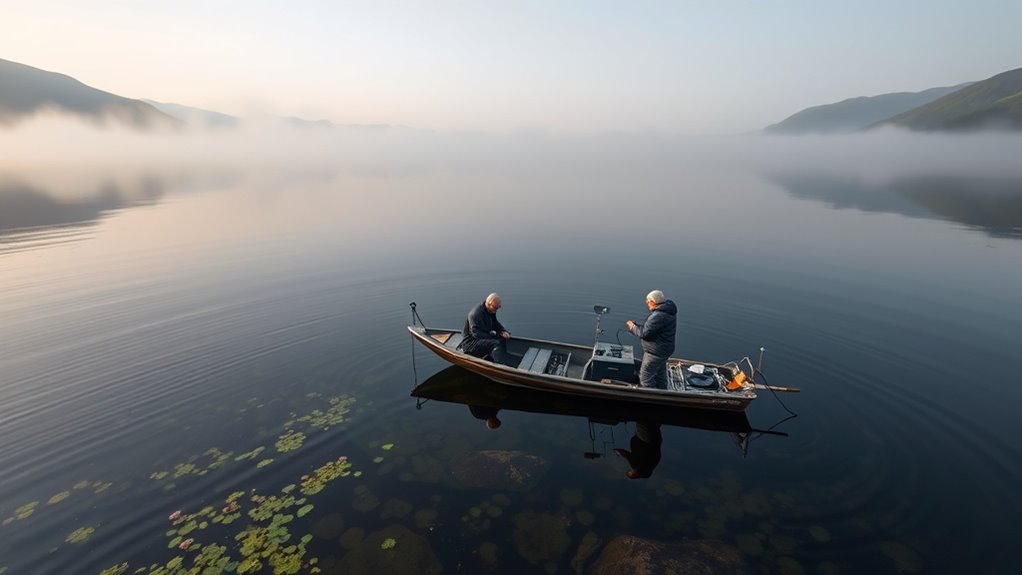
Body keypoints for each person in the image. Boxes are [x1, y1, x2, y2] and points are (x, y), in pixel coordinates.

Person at [625, 289, 677, 389]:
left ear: (653, 302)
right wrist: (637, 326)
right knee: (660, 373)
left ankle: (650, 396)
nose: (646, 303)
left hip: (655, 352)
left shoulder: (658, 316)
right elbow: (650, 330)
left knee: (645, 377)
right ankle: (664, 392)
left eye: (648, 301)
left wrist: (632, 326)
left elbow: (643, 333)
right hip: (665, 350)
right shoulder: (668, 310)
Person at [462, 293, 513, 366]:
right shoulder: (475, 314)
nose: (496, 310)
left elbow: (495, 323)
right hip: (471, 343)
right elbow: (477, 335)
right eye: (496, 308)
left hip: (482, 336)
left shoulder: (490, 310)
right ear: (489, 304)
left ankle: (499, 356)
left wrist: (503, 331)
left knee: (502, 338)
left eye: (499, 307)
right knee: (496, 343)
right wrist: (496, 336)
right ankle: (500, 365)